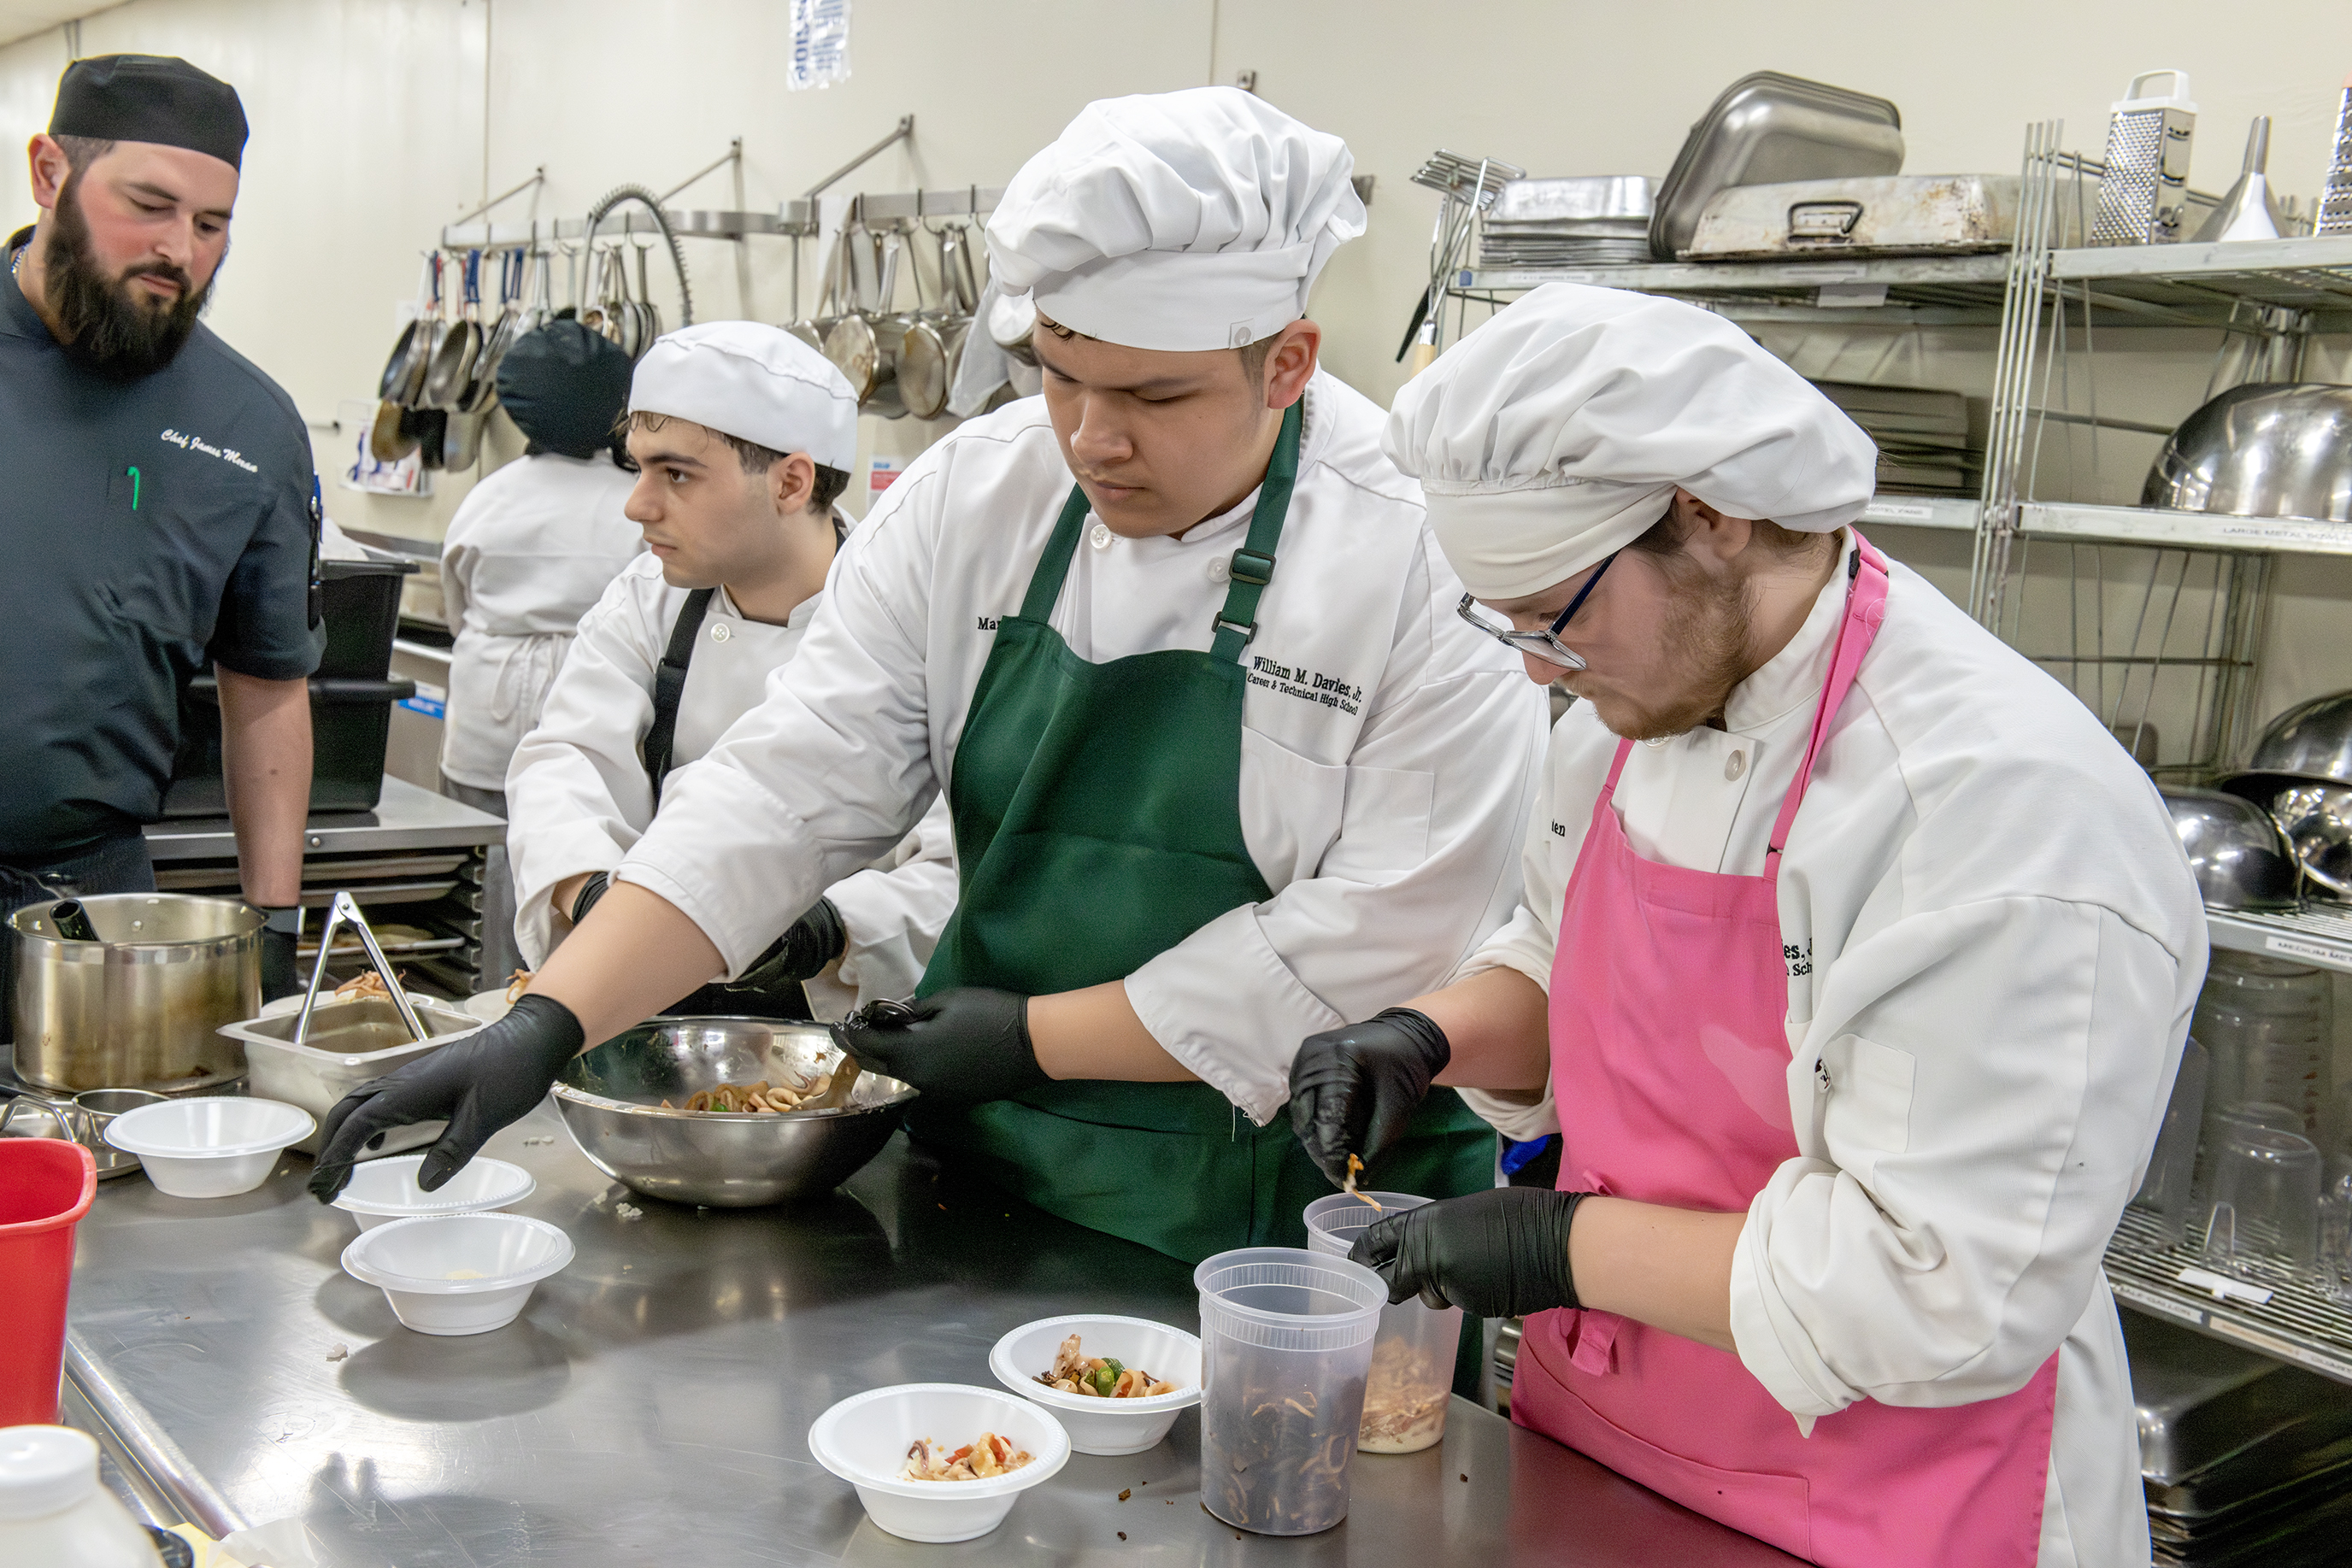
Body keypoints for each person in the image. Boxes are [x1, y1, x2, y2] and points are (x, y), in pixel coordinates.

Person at [309, 88, 1548, 1265]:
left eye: (1154, 393)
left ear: (1289, 360)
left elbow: (1381, 936)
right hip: (1001, 1169)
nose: (1092, 437)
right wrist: (552, 1016)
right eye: (1061, 372)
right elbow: (791, 782)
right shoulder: (980, 494)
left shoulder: (1416, 548)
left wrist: (1034, 1036)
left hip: (1300, 1207)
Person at [1286, 285, 2206, 1565]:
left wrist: (1559, 1242)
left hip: (1884, 1497)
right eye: (1506, 627)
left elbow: (1939, 1287)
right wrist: (1428, 1036)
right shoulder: (1629, 712)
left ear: (1712, 516)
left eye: (1558, 614)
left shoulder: (1997, 808)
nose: (1540, 669)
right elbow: (1572, 963)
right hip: (1604, 1450)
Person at [504, 322, 954, 1019]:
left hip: (851, 1016)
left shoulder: (918, 623)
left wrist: (825, 931)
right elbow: (566, 763)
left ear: (791, 481)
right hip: (656, 994)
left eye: (676, 473)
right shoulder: (650, 600)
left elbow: (960, 867)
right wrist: (597, 893)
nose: (637, 504)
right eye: (639, 467)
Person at [2, 55, 321, 1011]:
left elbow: (267, 688)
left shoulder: (246, 426)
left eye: (211, 223)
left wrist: (272, 931)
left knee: (97, 1156)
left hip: (86, 906)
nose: (179, 249)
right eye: (149, 205)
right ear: (51, 173)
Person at [436, 319, 642, 818]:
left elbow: (455, 610)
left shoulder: (488, 499)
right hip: (590, 714)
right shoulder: (637, 506)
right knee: (576, 859)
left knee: (479, 861)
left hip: (485, 714)